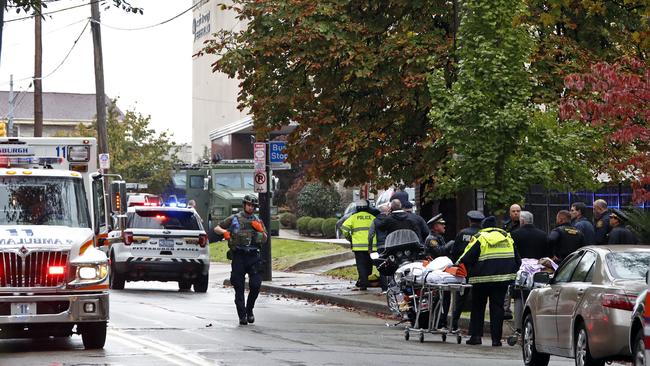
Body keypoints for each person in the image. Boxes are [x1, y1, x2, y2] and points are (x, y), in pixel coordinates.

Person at [458, 216, 520, 346]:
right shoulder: (507, 238)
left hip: (481, 280)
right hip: (502, 280)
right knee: (498, 308)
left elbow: (466, 257)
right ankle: (496, 340)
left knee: (478, 307)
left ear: (483, 227)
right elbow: (518, 261)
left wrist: (464, 268)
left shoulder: (480, 237)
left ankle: (476, 337)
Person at [213, 194, 267, 325]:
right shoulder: (235, 218)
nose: (250, 207)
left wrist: (260, 230)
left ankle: (250, 310)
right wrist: (224, 232)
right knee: (239, 286)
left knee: (256, 285)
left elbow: (265, 238)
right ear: (244, 205)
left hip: (253, 256)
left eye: (253, 206)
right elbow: (217, 228)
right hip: (239, 256)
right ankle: (242, 315)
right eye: (248, 205)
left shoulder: (257, 221)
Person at [510, 211, 549, 333]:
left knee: (519, 298)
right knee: (537, 298)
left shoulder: (514, 235)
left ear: (522, 221)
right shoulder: (543, 235)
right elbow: (546, 255)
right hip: (538, 272)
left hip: (521, 271)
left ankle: (519, 327)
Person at [448, 210, 484, 332]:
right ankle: (474, 329)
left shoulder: (462, 233)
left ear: (469, 221)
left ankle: (454, 324)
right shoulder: (483, 235)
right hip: (478, 270)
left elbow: (454, 252)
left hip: (463, 270)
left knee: (460, 298)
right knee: (477, 299)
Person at [341, 200, 376, 291]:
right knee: (370, 265)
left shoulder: (353, 217)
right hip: (371, 247)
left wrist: (349, 238)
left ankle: (363, 284)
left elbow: (344, 228)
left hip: (358, 247)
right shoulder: (372, 217)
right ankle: (368, 280)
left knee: (361, 265)